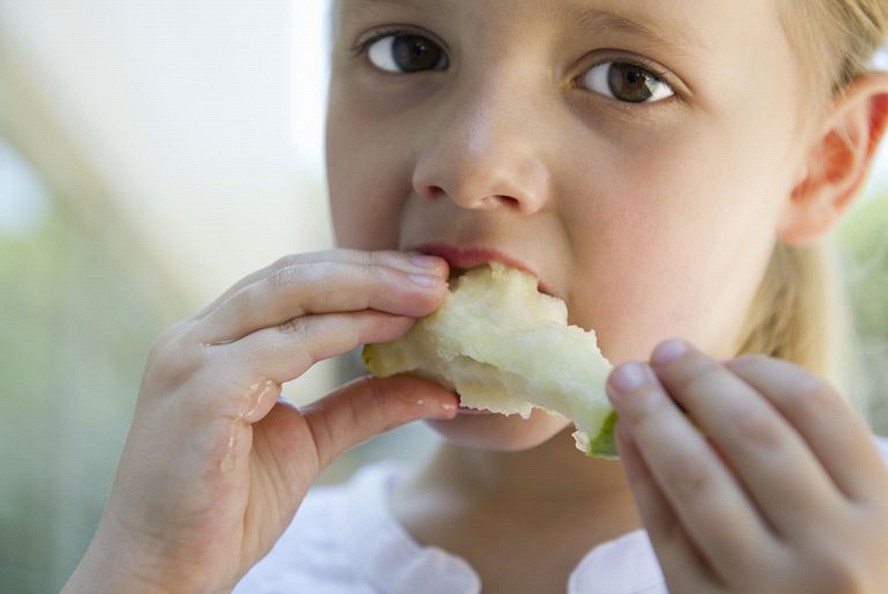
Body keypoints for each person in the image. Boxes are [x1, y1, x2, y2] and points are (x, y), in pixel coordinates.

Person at [63, 0, 888, 592]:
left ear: (825, 164)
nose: (470, 161)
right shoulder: (234, 565)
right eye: (406, 51)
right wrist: (141, 573)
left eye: (629, 80)